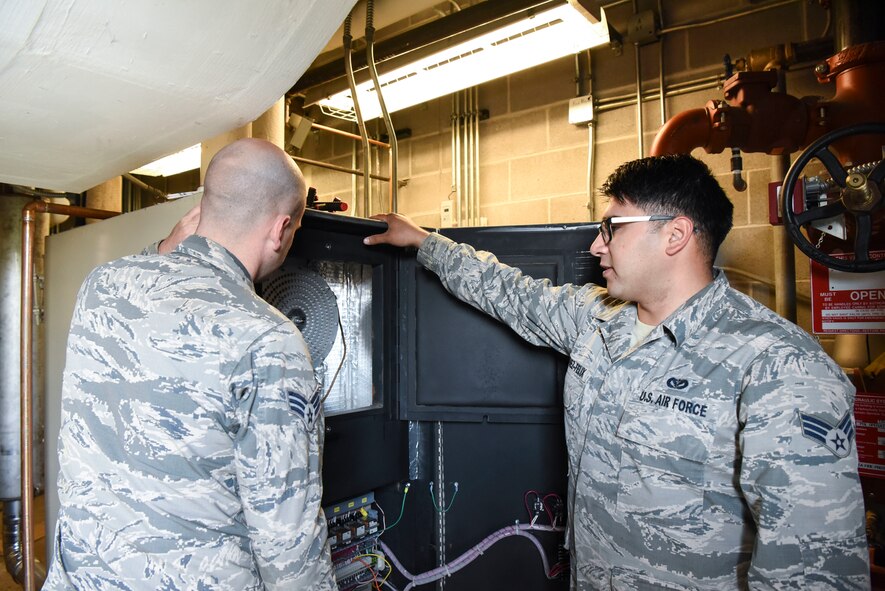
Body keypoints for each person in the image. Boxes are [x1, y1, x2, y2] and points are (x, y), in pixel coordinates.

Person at [364, 154, 870, 589]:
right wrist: (424, 242)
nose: (595, 246)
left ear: (675, 235)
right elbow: (511, 292)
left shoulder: (778, 366)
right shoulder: (598, 320)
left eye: (612, 228)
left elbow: (812, 569)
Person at [45, 138, 335, 590]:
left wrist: (169, 247)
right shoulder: (269, 340)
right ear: (281, 229)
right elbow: (288, 549)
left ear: (202, 209)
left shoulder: (102, 285)